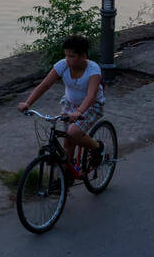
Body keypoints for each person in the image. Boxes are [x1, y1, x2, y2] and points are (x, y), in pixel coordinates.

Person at [17, 35, 106, 179]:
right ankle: (67, 177)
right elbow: (45, 85)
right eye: (66, 55)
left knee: (73, 132)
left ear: (83, 55)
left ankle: (96, 148)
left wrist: (79, 111)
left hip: (91, 106)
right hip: (69, 104)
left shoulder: (93, 69)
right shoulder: (63, 65)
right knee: (68, 141)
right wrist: (28, 103)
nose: (68, 59)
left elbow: (90, 96)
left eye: (72, 56)